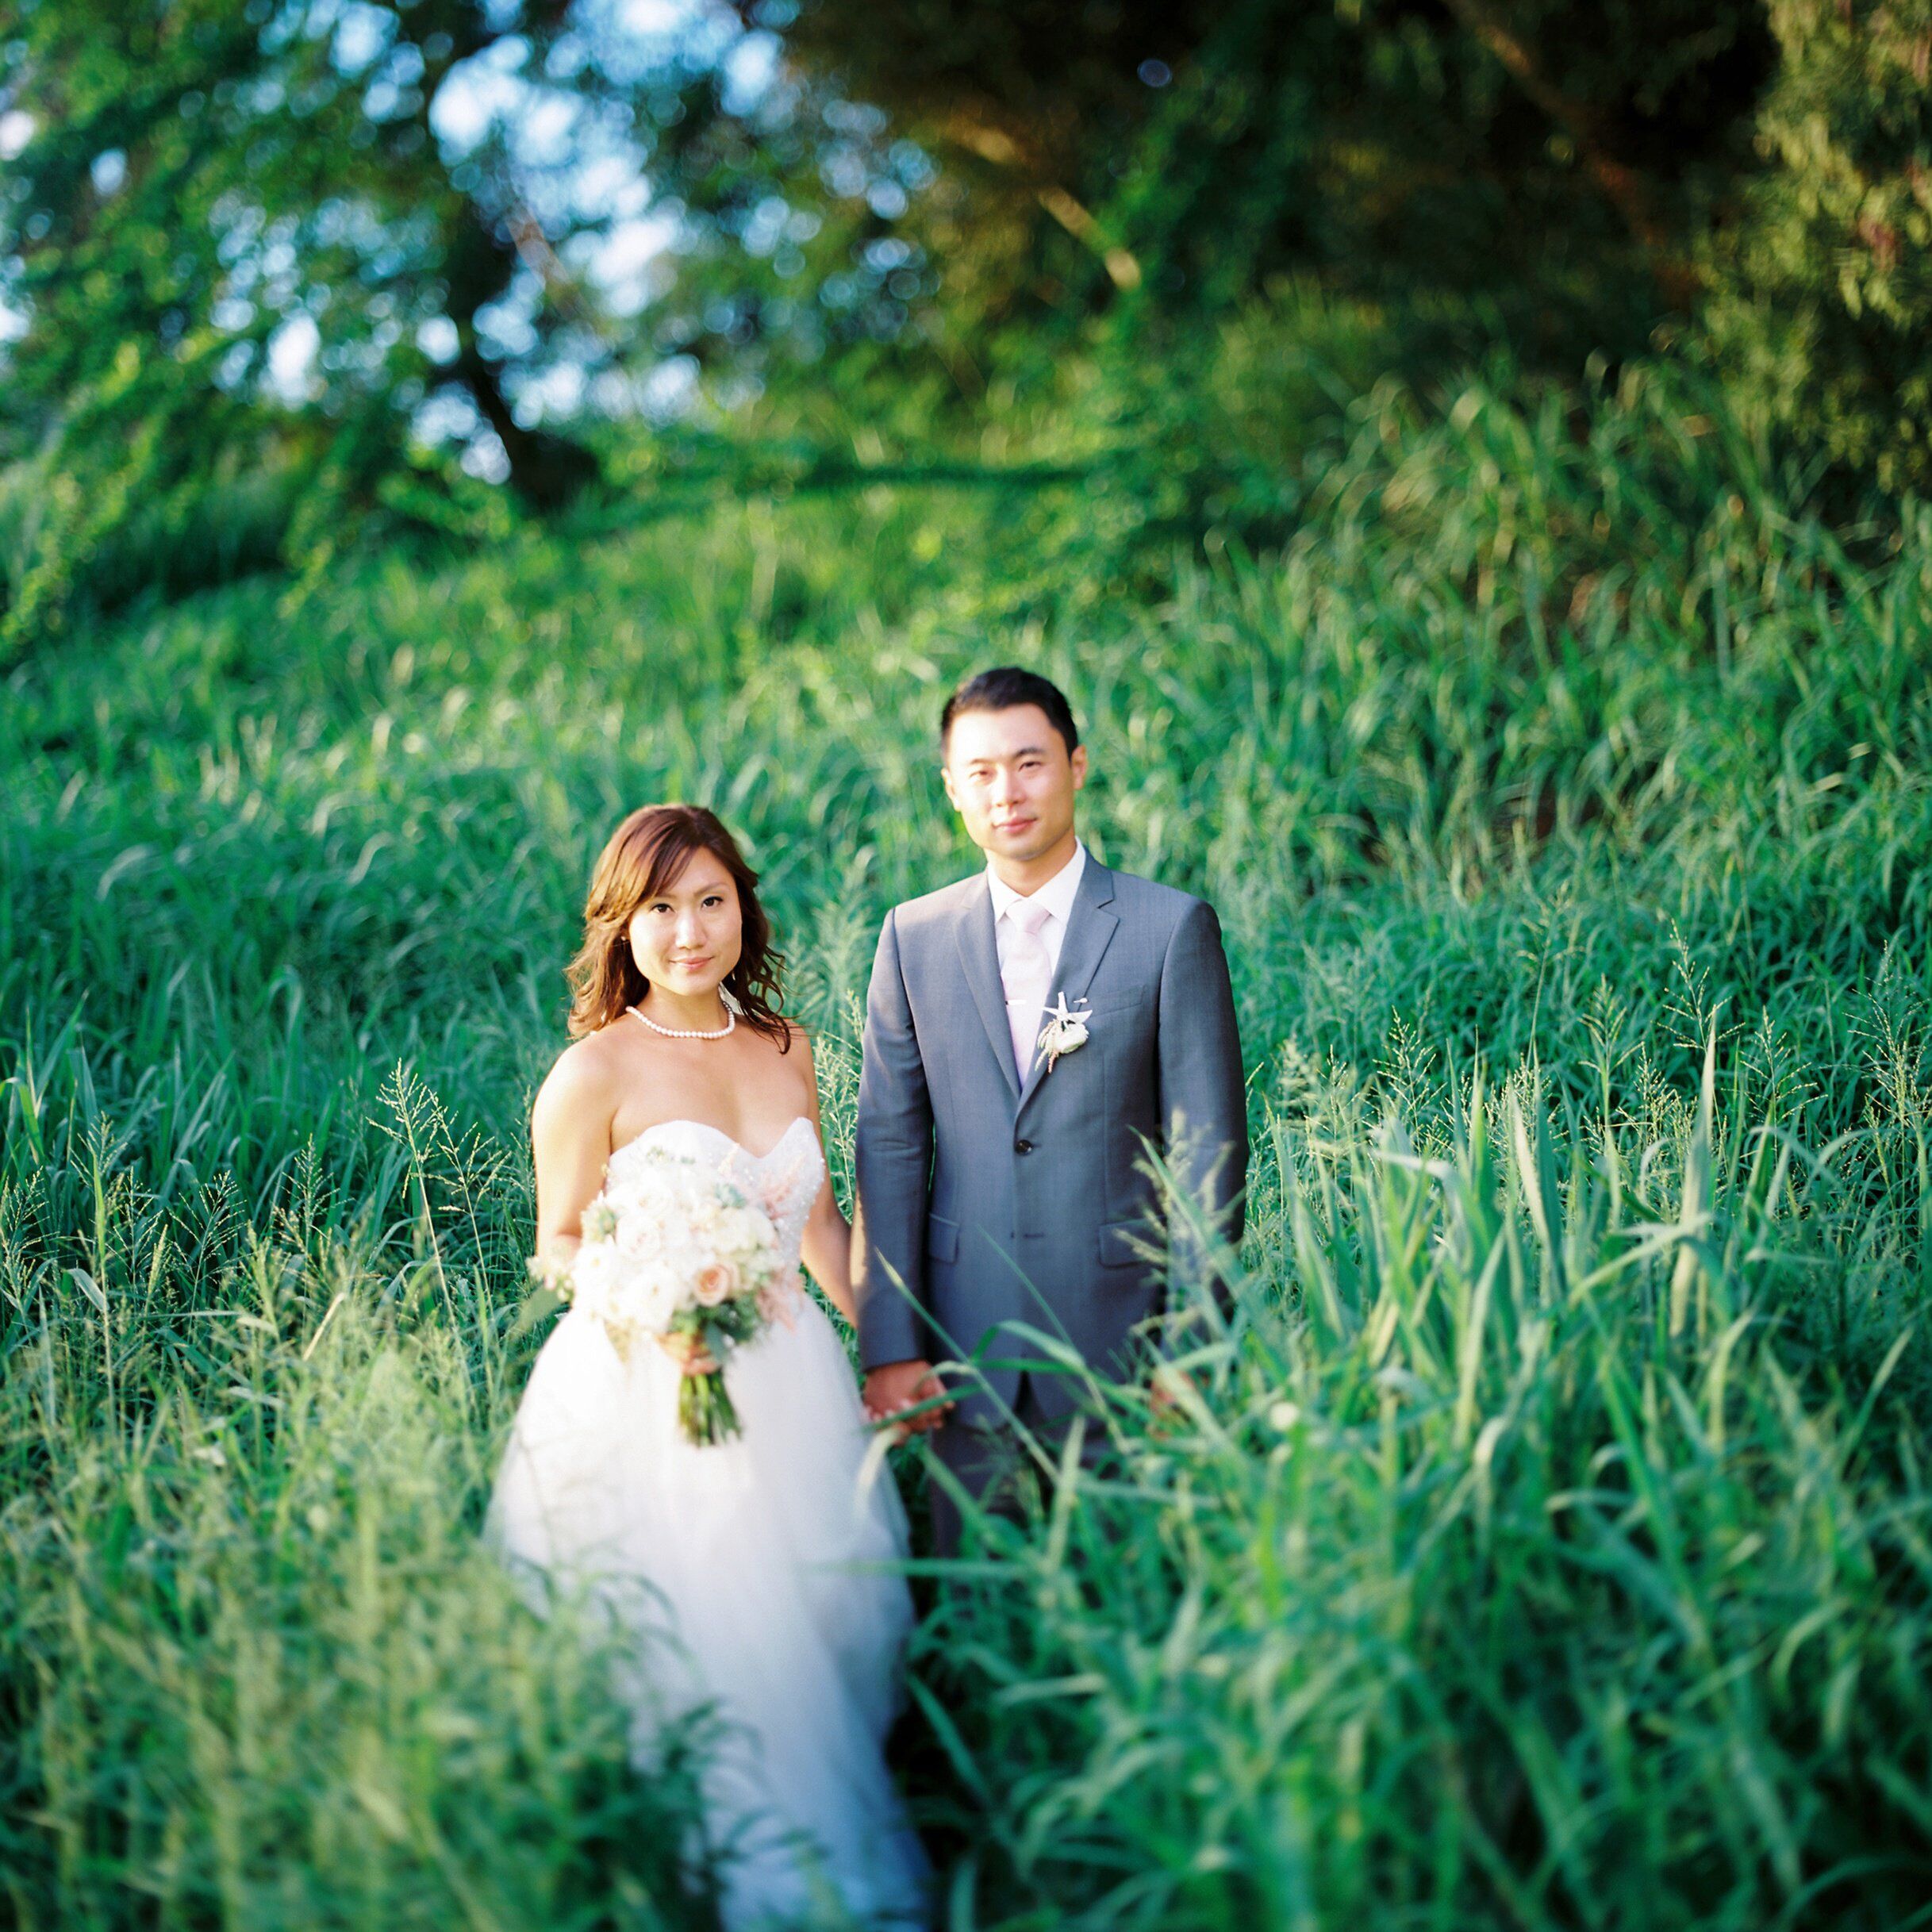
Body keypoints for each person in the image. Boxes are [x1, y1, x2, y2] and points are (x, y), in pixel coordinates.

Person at [490, 804, 930, 1931]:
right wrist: (653, 1300)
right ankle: (697, 1859)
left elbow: (819, 1222)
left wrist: (888, 1350)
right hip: (648, 1377)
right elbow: (557, 1238)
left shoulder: (789, 1047)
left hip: (790, 1376)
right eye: (659, 908)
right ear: (620, 926)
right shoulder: (592, 1070)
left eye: (709, 900)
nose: (688, 931)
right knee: (703, 1618)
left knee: (809, 1612)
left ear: (742, 906)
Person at [853, 667, 1248, 1555]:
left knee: (1129, 1593)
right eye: (981, 771)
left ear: (1075, 765)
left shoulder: (1167, 927)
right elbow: (888, 1144)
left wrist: (1191, 1343)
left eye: (1028, 763)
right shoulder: (910, 936)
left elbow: (1207, 1150)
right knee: (974, 1606)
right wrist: (891, 1340)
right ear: (950, 788)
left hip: (1124, 1336)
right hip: (961, 1341)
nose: (1007, 792)